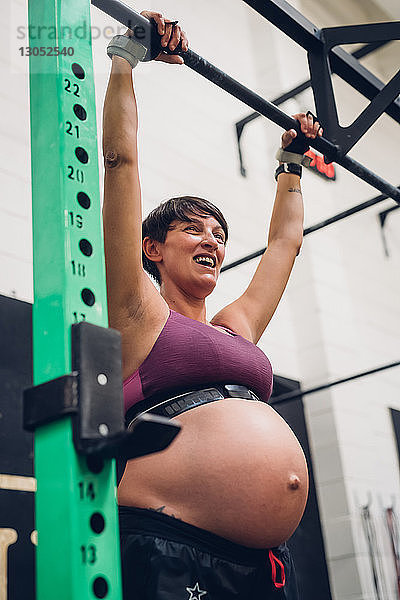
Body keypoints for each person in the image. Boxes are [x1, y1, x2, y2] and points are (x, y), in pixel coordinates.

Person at [102, 11, 322, 600]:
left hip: (264, 563)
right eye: (193, 230)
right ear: (153, 247)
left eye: (220, 234)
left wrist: (291, 162)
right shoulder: (139, 316)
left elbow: (285, 243)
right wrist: (127, 57)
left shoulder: (236, 329)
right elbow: (121, 166)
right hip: (173, 549)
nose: (212, 241)